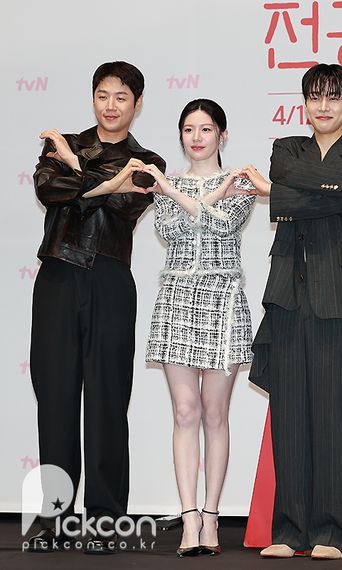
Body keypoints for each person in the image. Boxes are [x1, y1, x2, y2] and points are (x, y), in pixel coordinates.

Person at [241, 63, 342, 560]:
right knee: (289, 415)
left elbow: (339, 204)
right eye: (315, 97)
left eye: (333, 98)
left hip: (338, 296)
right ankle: (288, 531)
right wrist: (338, 179)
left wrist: (280, 195)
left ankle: (329, 532)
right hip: (287, 294)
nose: (323, 106)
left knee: (333, 415)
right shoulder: (287, 148)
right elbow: (287, 177)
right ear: (304, 104)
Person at [29, 61, 166, 554]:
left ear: (137, 104)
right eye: (103, 95)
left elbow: (127, 204)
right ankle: (55, 520)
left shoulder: (148, 160)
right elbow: (49, 191)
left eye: (121, 97)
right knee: (56, 400)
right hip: (58, 278)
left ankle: (106, 520)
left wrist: (77, 171)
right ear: (93, 98)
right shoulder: (62, 144)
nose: (111, 106)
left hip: (110, 281)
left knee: (108, 402)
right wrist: (85, 172)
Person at [140, 99, 255, 557]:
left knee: (214, 414)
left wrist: (180, 193)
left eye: (206, 129)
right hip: (176, 300)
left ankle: (211, 515)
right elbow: (171, 232)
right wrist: (185, 192)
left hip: (222, 300)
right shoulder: (166, 185)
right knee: (184, 413)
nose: (197, 137)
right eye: (189, 129)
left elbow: (223, 227)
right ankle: (189, 518)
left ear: (222, 135)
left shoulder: (241, 182)